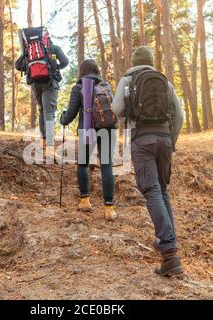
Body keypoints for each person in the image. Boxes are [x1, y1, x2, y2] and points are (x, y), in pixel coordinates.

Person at [112, 46, 184, 276]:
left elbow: (117, 109)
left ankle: (169, 252)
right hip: (164, 138)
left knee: (152, 190)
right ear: (152, 61)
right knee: (162, 190)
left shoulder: (127, 79)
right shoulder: (164, 80)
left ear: (134, 61)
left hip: (142, 139)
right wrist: (170, 141)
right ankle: (169, 244)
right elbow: (179, 115)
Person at [60, 59, 117, 221]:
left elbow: (70, 115)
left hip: (87, 129)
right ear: (97, 70)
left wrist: (62, 119)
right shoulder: (106, 86)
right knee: (107, 165)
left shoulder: (78, 88)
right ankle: (109, 208)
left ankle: (85, 201)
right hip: (108, 129)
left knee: (83, 164)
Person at [15, 37, 69, 156]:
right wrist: (54, 67)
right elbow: (65, 61)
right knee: (49, 113)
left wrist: (29, 68)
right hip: (50, 82)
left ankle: (43, 142)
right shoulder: (53, 48)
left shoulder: (28, 50)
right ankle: (50, 148)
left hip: (35, 84)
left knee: (42, 110)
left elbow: (17, 65)